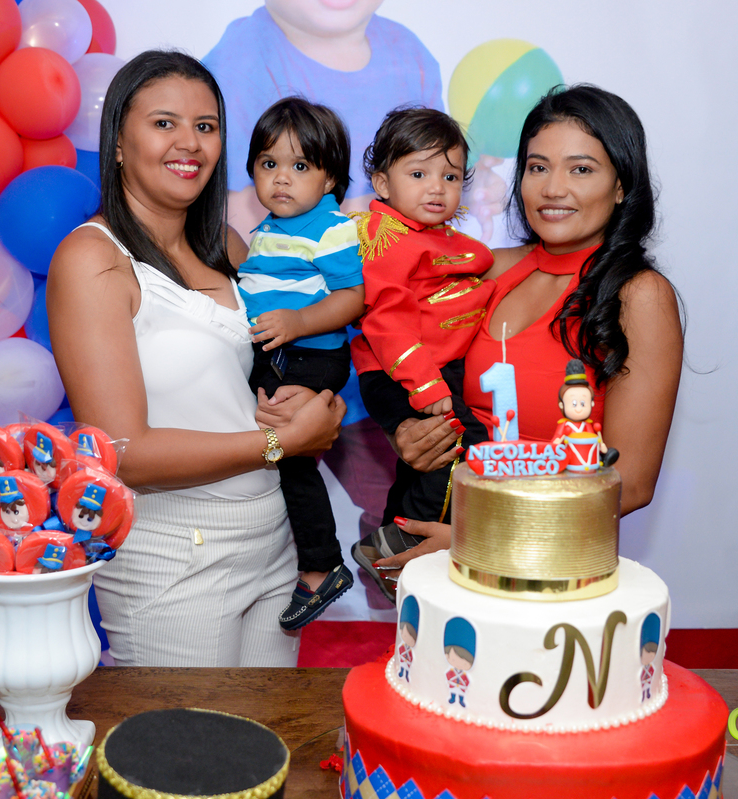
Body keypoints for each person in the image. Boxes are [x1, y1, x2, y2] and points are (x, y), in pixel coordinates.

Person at [46, 51, 345, 667]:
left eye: (205, 126)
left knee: (269, 728)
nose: (189, 143)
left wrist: (307, 403)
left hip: (273, 538)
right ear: (118, 142)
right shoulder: (92, 258)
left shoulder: (230, 247)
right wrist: (280, 444)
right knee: (189, 733)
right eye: (165, 123)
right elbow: (124, 452)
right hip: (171, 551)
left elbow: (273, 365)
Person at [371, 84, 684, 577]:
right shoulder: (484, 269)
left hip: (549, 569)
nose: (553, 189)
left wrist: (478, 536)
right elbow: (390, 339)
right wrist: (404, 434)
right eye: (538, 168)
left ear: (621, 185)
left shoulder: (639, 295)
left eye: (581, 169)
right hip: (438, 554)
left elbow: (632, 483)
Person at [347, 107, 495, 595]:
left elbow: (474, 267)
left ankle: (387, 542)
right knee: (462, 447)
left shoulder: (436, 236)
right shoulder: (387, 238)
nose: (436, 188)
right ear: (382, 184)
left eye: (450, 177)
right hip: (403, 372)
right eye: (418, 174)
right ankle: (405, 543)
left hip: (429, 369)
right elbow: (385, 320)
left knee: (422, 462)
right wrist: (427, 385)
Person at [234, 97, 365, 630]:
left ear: (329, 177)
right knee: (265, 445)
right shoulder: (267, 230)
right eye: (269, 164)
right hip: (278, 352)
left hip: (313, 354)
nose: (281, 178)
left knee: (290, 457)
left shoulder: (330, 227)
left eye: (300, 166)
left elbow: (352, 298)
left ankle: (322, 566)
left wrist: (299, 321)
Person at [201, 0, 444, 234]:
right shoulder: (239, 60)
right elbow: (232, 216)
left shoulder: (407, 49)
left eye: (300, 167)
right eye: (271, 165)